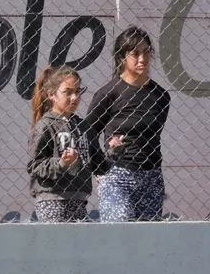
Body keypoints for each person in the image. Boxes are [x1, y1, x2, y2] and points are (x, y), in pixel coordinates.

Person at [85, 26, 172, 222]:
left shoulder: (161, 96)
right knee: (120, 231)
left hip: (152, 176)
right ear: (122, 56)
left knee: (148, 240)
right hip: (118, 174)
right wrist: (99, 165)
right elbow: (87, 133)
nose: (142, 59)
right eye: (135, 54)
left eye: (146, 52)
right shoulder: (109, 93)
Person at [27, 66, 108, 223]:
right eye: (68, 92)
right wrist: (62, 163)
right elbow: (35, 166)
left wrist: (114, 152)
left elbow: (99, 166)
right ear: (51, 95)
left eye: (78, 91)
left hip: (79, 199)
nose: (74, 97)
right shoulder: (45, 126)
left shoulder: (84, 127)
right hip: (53, 200)